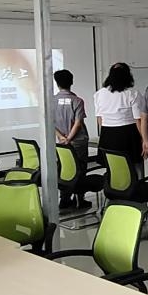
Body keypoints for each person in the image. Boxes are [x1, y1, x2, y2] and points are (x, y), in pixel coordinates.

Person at [53, 69, 91, 209]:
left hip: (61, 142)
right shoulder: (77, 101)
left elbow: (50, 122)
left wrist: (61, 137)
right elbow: (78, 122)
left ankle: (64, 199)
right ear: (72, 82)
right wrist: (69, 138)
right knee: (80, 169)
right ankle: (80, 199)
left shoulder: (52, 101)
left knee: (64, 168)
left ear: (57, 83)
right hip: (78, 142)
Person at [94, 62, 143, 170]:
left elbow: (99, 118)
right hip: (129, 133)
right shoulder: (132, 93)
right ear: (128, 76)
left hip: (107, 133)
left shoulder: (99, 94)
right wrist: (144, 139)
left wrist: (105, 133)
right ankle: (138, 181)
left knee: (112, 166)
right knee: (134, 165)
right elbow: (138, 120)